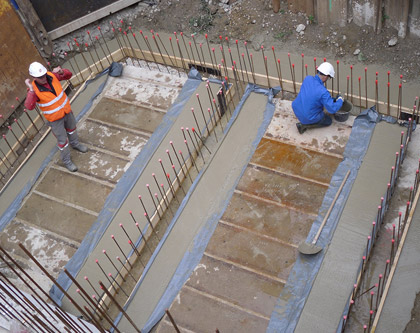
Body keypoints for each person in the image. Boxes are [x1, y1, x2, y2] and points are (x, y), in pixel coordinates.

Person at [24, 62, 87, 172]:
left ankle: (75, 144)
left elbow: (68, 75)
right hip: (55, 120)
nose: (43, 78)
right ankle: (67, 161)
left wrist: (62, 71)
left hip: (66, 112)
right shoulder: (34, 90)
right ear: (34, 77)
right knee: (62, 141)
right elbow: (29, 106)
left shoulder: (51, 76)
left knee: (72, 130)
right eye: (39, 77)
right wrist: (31, 90)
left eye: (43, 75)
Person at [292, 62, 344, 134]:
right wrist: (340, 100)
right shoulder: (323, 92)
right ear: (325, 76)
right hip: (307, 116)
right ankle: (304, 125)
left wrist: (330, 99)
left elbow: (313, 94)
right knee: (328, 121)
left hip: (296, 109)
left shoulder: (308, 78)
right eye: (328, 77)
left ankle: (305, 121)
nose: (327, 79)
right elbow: (332, 109)